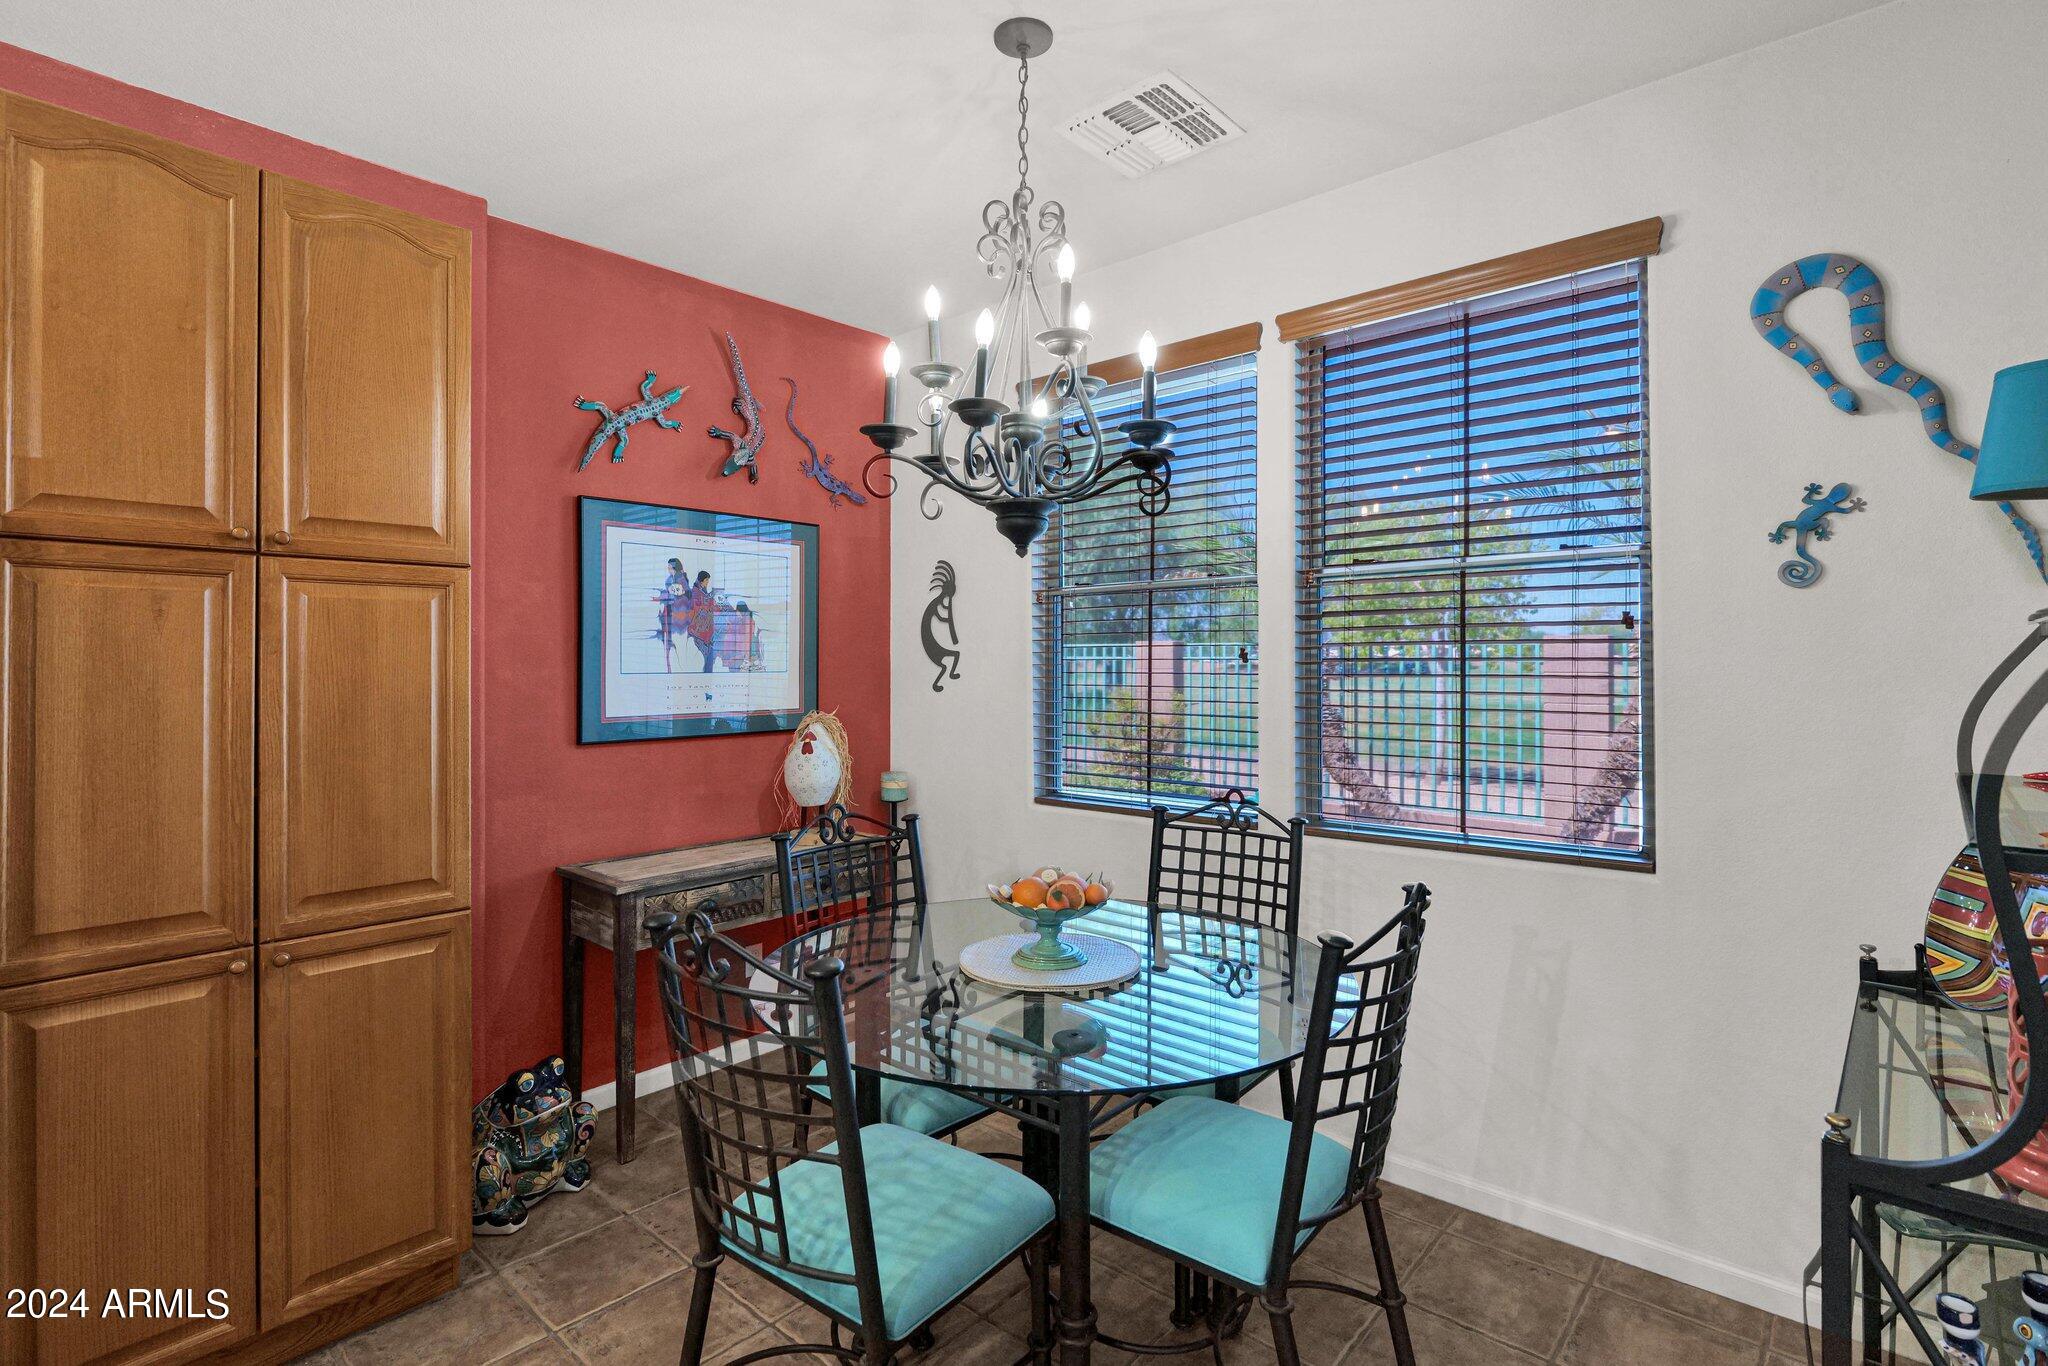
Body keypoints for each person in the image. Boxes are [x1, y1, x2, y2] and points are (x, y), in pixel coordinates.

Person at [683, 570, 717, 673]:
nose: (707, 583)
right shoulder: (695, 593)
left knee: (708, 658)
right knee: (704, 659)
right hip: (698, 633)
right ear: (702, 580)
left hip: (704, 632)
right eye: (707, 580)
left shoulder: (702, 591)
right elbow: (697, 609)